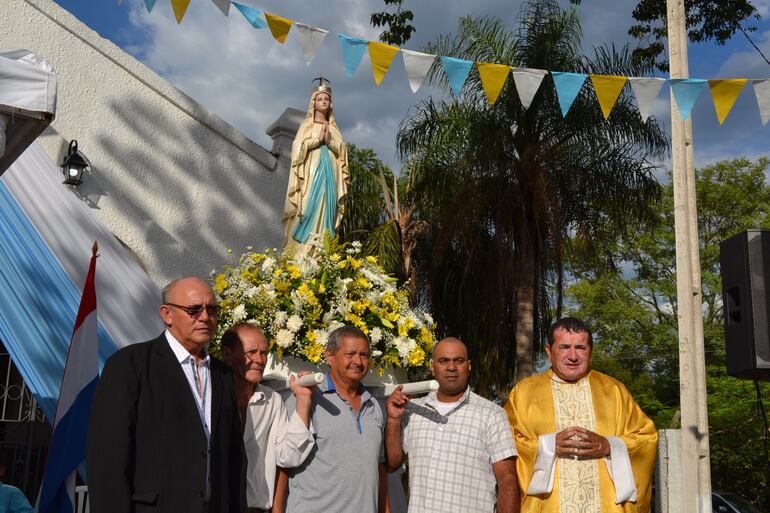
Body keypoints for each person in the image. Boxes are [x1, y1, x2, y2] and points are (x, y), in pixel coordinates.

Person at [86, 277, 244, 513]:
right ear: (167, 314)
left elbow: (234, 455)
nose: (204, 317)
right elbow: (109, 457)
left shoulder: (222, 374)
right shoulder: (131, 365)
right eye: (193, 310)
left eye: (212, 309)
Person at [504, 317, 658, 513]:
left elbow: (647, 437)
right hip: (548, 506)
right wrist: (548, 446)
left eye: (581, 348)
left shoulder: (614, 391)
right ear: (549, 351)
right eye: (564, 347)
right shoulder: (524, 393)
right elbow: (506, 446)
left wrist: (609, 446)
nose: (573, 356)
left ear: (590, 351)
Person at [385, 337, 519, 513]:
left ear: (468, 366)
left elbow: (507, 480)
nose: (451, 367)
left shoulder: (491, 414)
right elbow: (393, 463)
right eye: (444, 361)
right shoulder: (413, 410)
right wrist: (394, 420)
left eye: (459, 361)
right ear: (433, 368)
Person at [283, 325, 388, 513]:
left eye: (364, 355)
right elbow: (283, 465)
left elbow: (378, 469)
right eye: (350, 354)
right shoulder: (306, 397)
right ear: (330, 357)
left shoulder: (374, 406)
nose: (358, 361)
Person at [220, 323, 315, 513]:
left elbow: (289, 457)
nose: (259, 359)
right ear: (228, 356)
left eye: (264, 353)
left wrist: (303, 399)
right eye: (251, 352)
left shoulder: (272, 400)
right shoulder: (213, 395)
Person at [282, 78, 349, 253]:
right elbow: (297, 150)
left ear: (331, 103)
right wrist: (316, 140)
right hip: (310, 175)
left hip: (330, 177)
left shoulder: (334, 130)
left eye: (326, 99)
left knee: (327, 208)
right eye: (320, 99)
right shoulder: (306, 126)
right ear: (313, 102)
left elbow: (343, 155)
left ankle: (321, 253)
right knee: (309, 208)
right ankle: (301, 252)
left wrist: (330, 142)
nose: (324, 101)